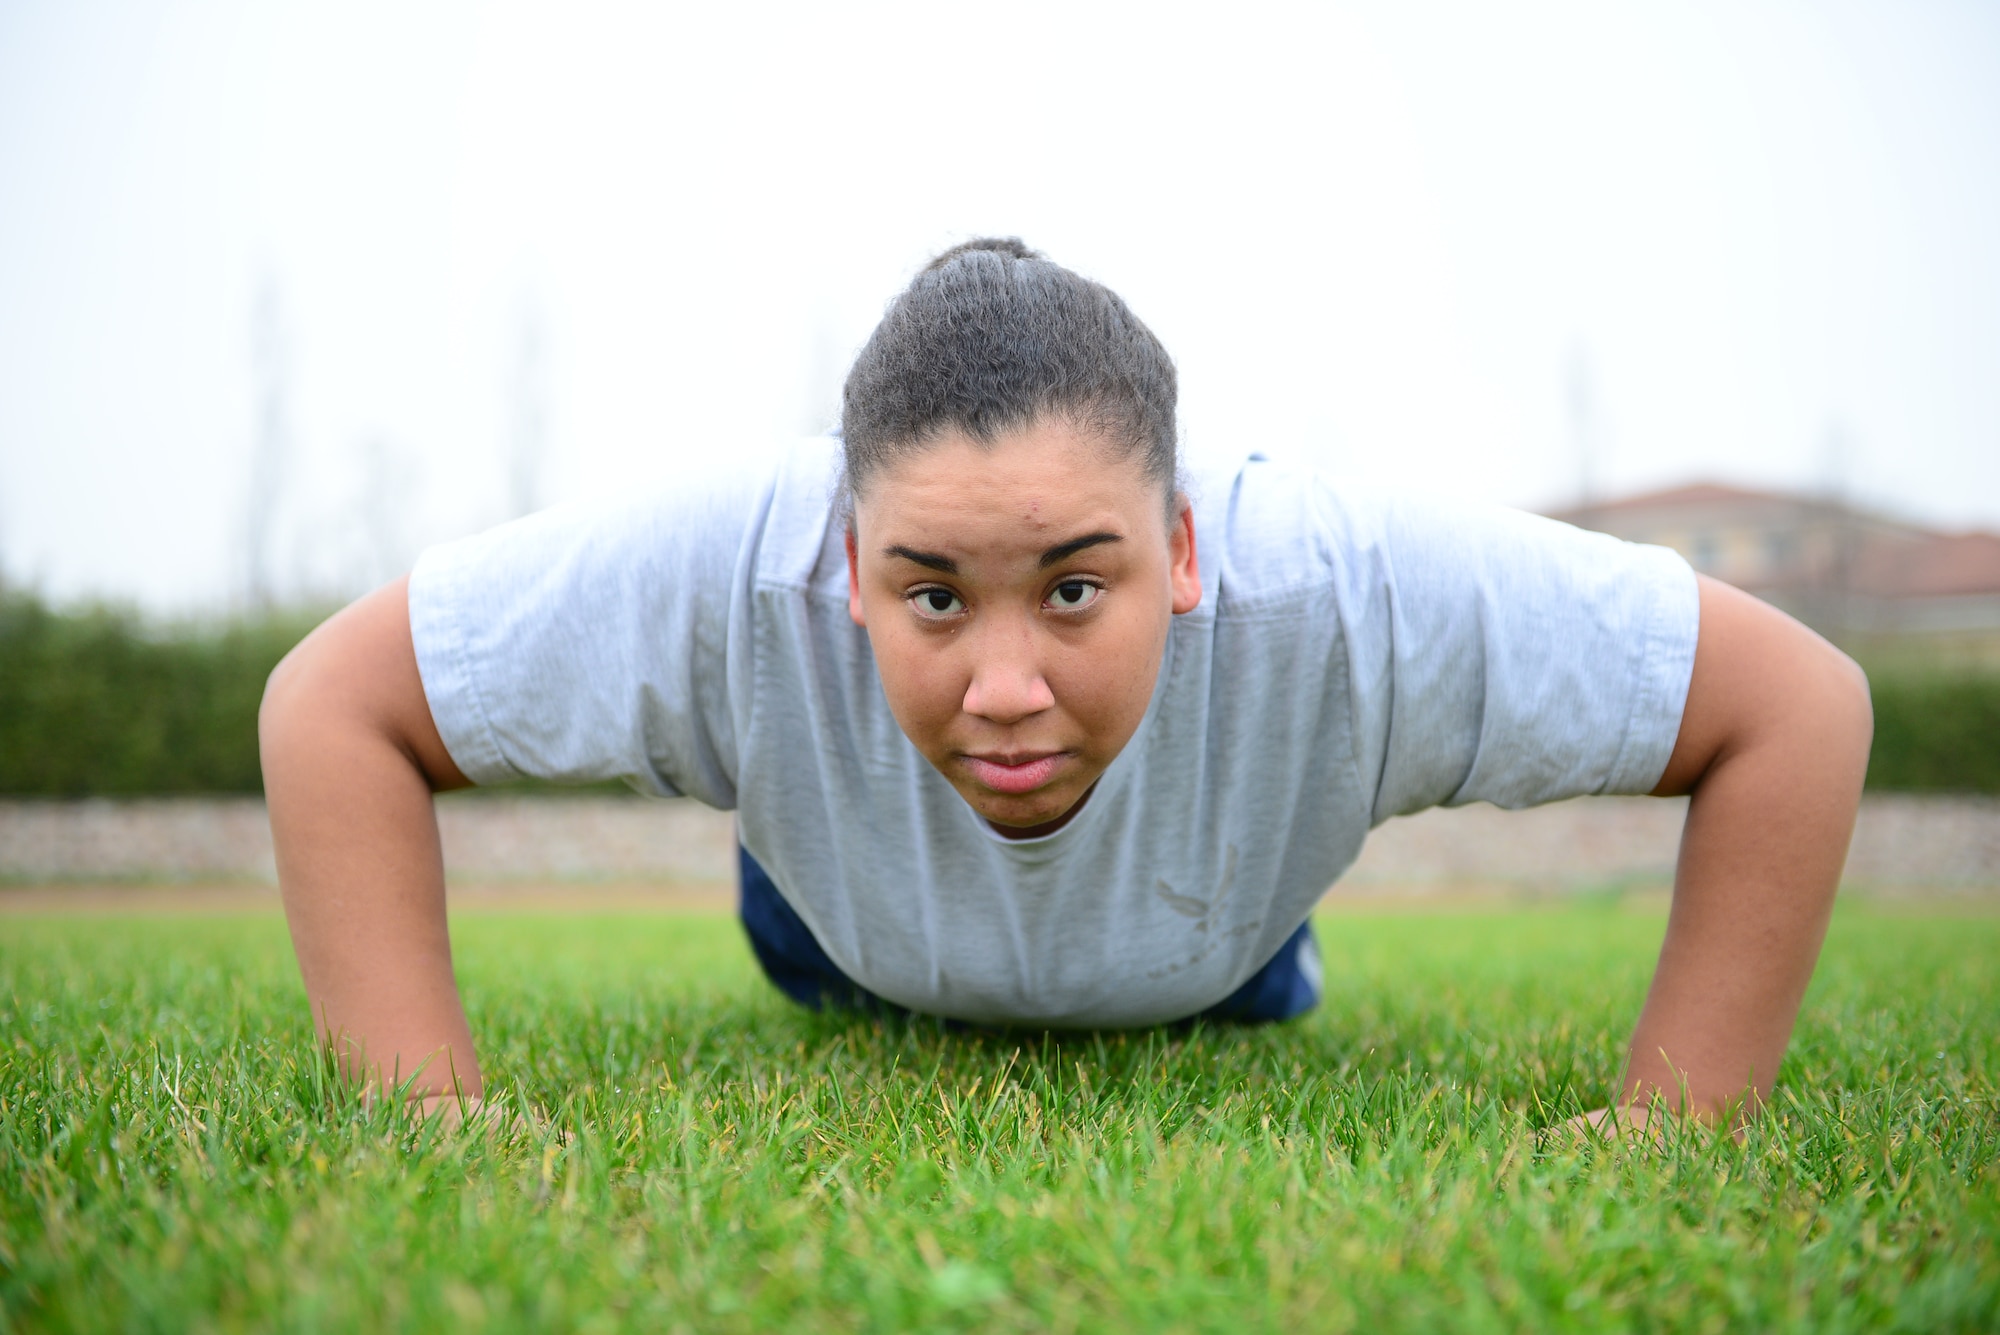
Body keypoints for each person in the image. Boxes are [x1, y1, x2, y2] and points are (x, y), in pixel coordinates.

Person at [259, 238, 1872, 1135]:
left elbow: (1795, 706)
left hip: (1210, 944)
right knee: (825, 908)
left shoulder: (1350, 589)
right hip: (847, 935)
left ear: (1184, 549)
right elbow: (333, 703)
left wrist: (1680, 1119)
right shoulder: (719, 566)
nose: (1010, 686)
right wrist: (429, 1110)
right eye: (934, 595)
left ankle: (1242, 949)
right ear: (846, 560)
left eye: (1078, 587)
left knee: (1225, 967)